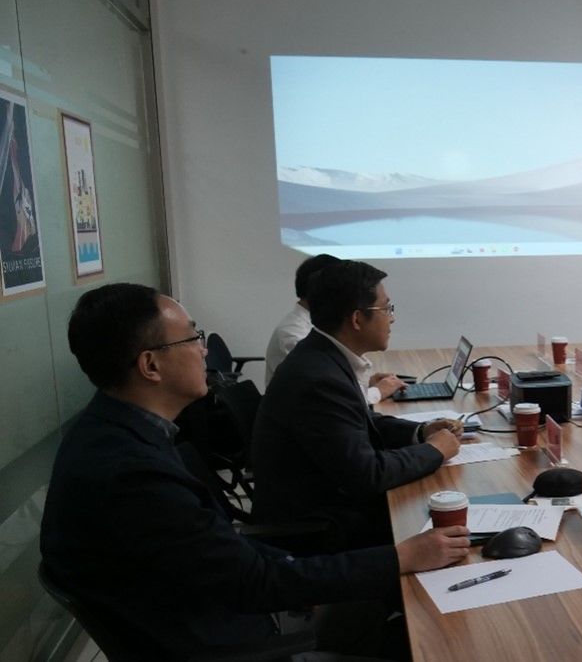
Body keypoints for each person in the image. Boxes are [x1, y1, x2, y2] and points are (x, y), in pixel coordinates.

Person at [40, 283, 470, 659]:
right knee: (443, 638)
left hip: (221, 613)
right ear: (150, 366)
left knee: (399, 606)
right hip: (235, 642)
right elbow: (252, 582)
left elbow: (221, 553)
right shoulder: (129, 475)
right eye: (192, 338)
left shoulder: (116, 434)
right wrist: (401, 556)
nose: (204, 351)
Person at [253, 260, 461, 551]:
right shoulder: (319, 378)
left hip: (334, 505)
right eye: (386, 309)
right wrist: (435, 450)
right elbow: (368, 475)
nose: (392, 319)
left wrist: (421, 432)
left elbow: (359, 421)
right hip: (323, 531)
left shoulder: (323, 356)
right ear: (357, 319)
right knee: (451, 525)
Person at [264, 253, 406, 404]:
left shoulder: (319, 331)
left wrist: (364, 384)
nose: (392, 319)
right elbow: (330, 392)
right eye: (385, 309)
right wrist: (378, 391)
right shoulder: (293, 335)